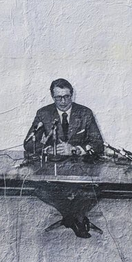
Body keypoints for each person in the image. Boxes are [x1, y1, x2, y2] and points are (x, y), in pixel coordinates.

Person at [23, 79, 105, 238]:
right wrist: (48, 149)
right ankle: (76, 216)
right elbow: (29, 143)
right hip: (54, 166)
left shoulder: (85, 113)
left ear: (72, 95)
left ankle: (70, 217)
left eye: (66, 96)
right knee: (38, 187)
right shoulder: (44, 114)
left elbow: (98, 144)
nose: (63, 101)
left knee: (96, 187)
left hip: (81, 166)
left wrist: (75, 149)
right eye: (58, 97)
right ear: (52, 96)